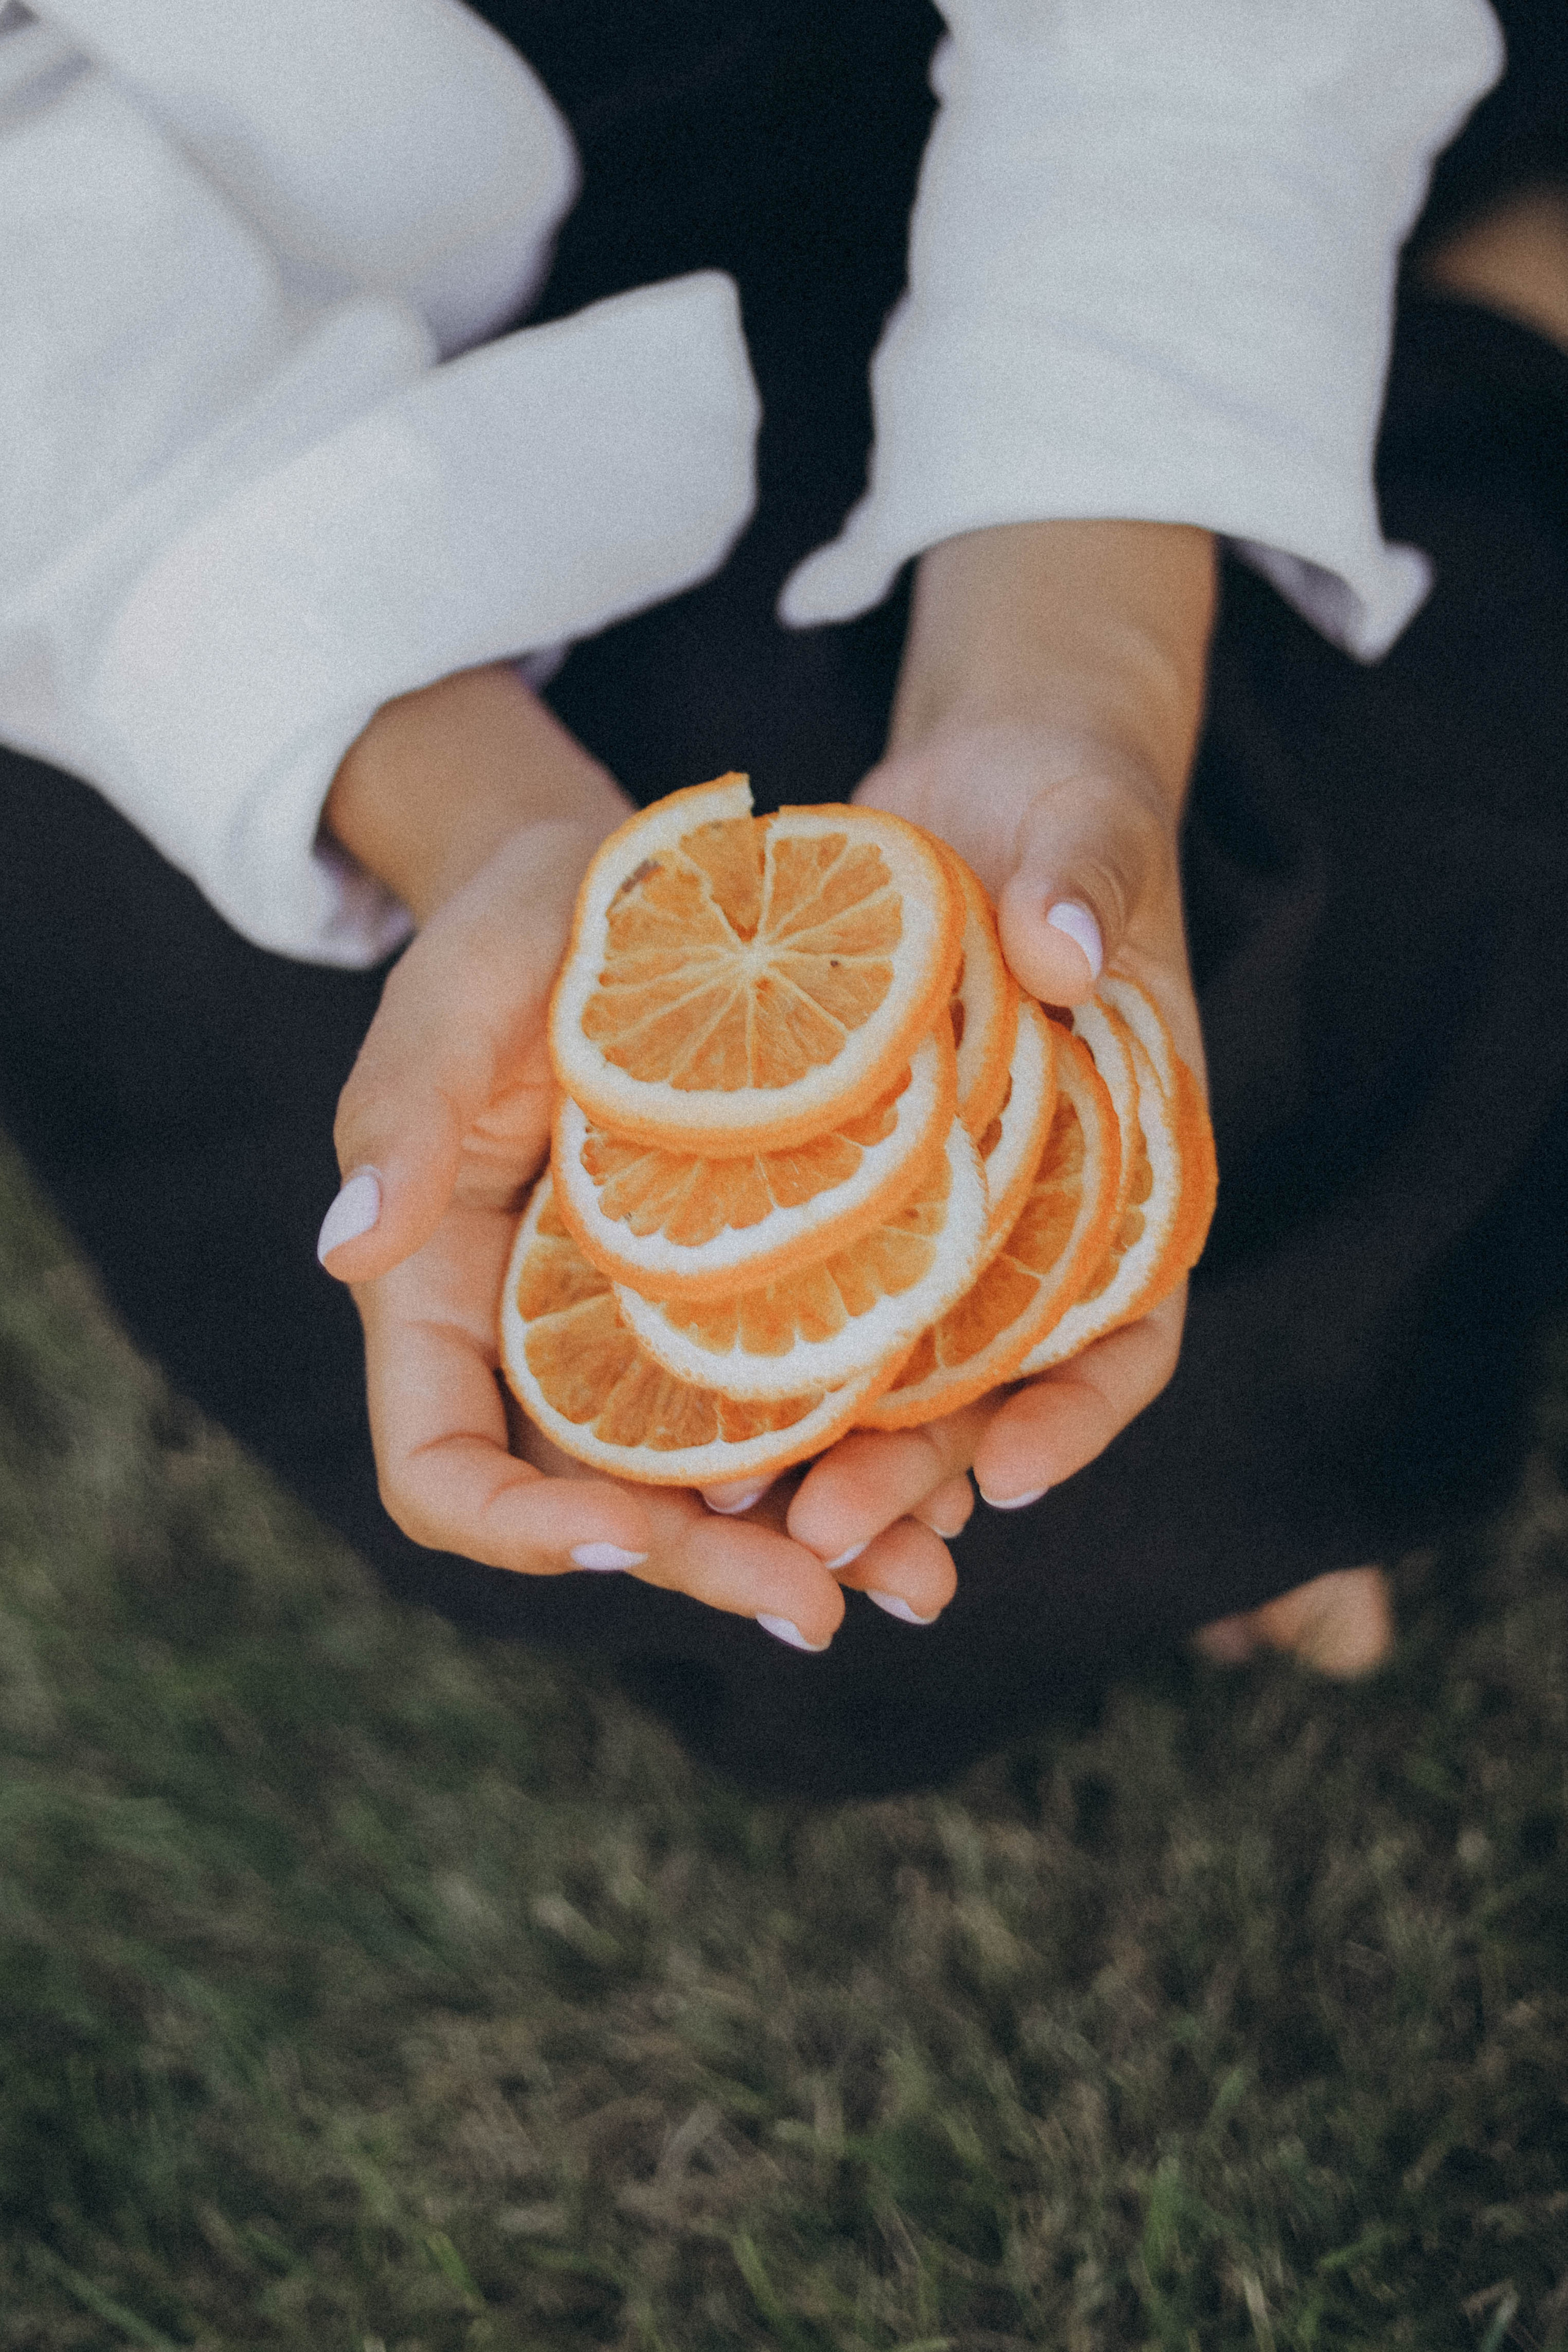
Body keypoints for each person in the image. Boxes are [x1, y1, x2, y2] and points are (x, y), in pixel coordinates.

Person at [3, 0, 1563, 1794]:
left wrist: (1075, 653)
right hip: (231, 314)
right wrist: (477, 822)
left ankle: (1499, 312)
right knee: (470, 1317)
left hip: (980, 81)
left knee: (1211, 904)